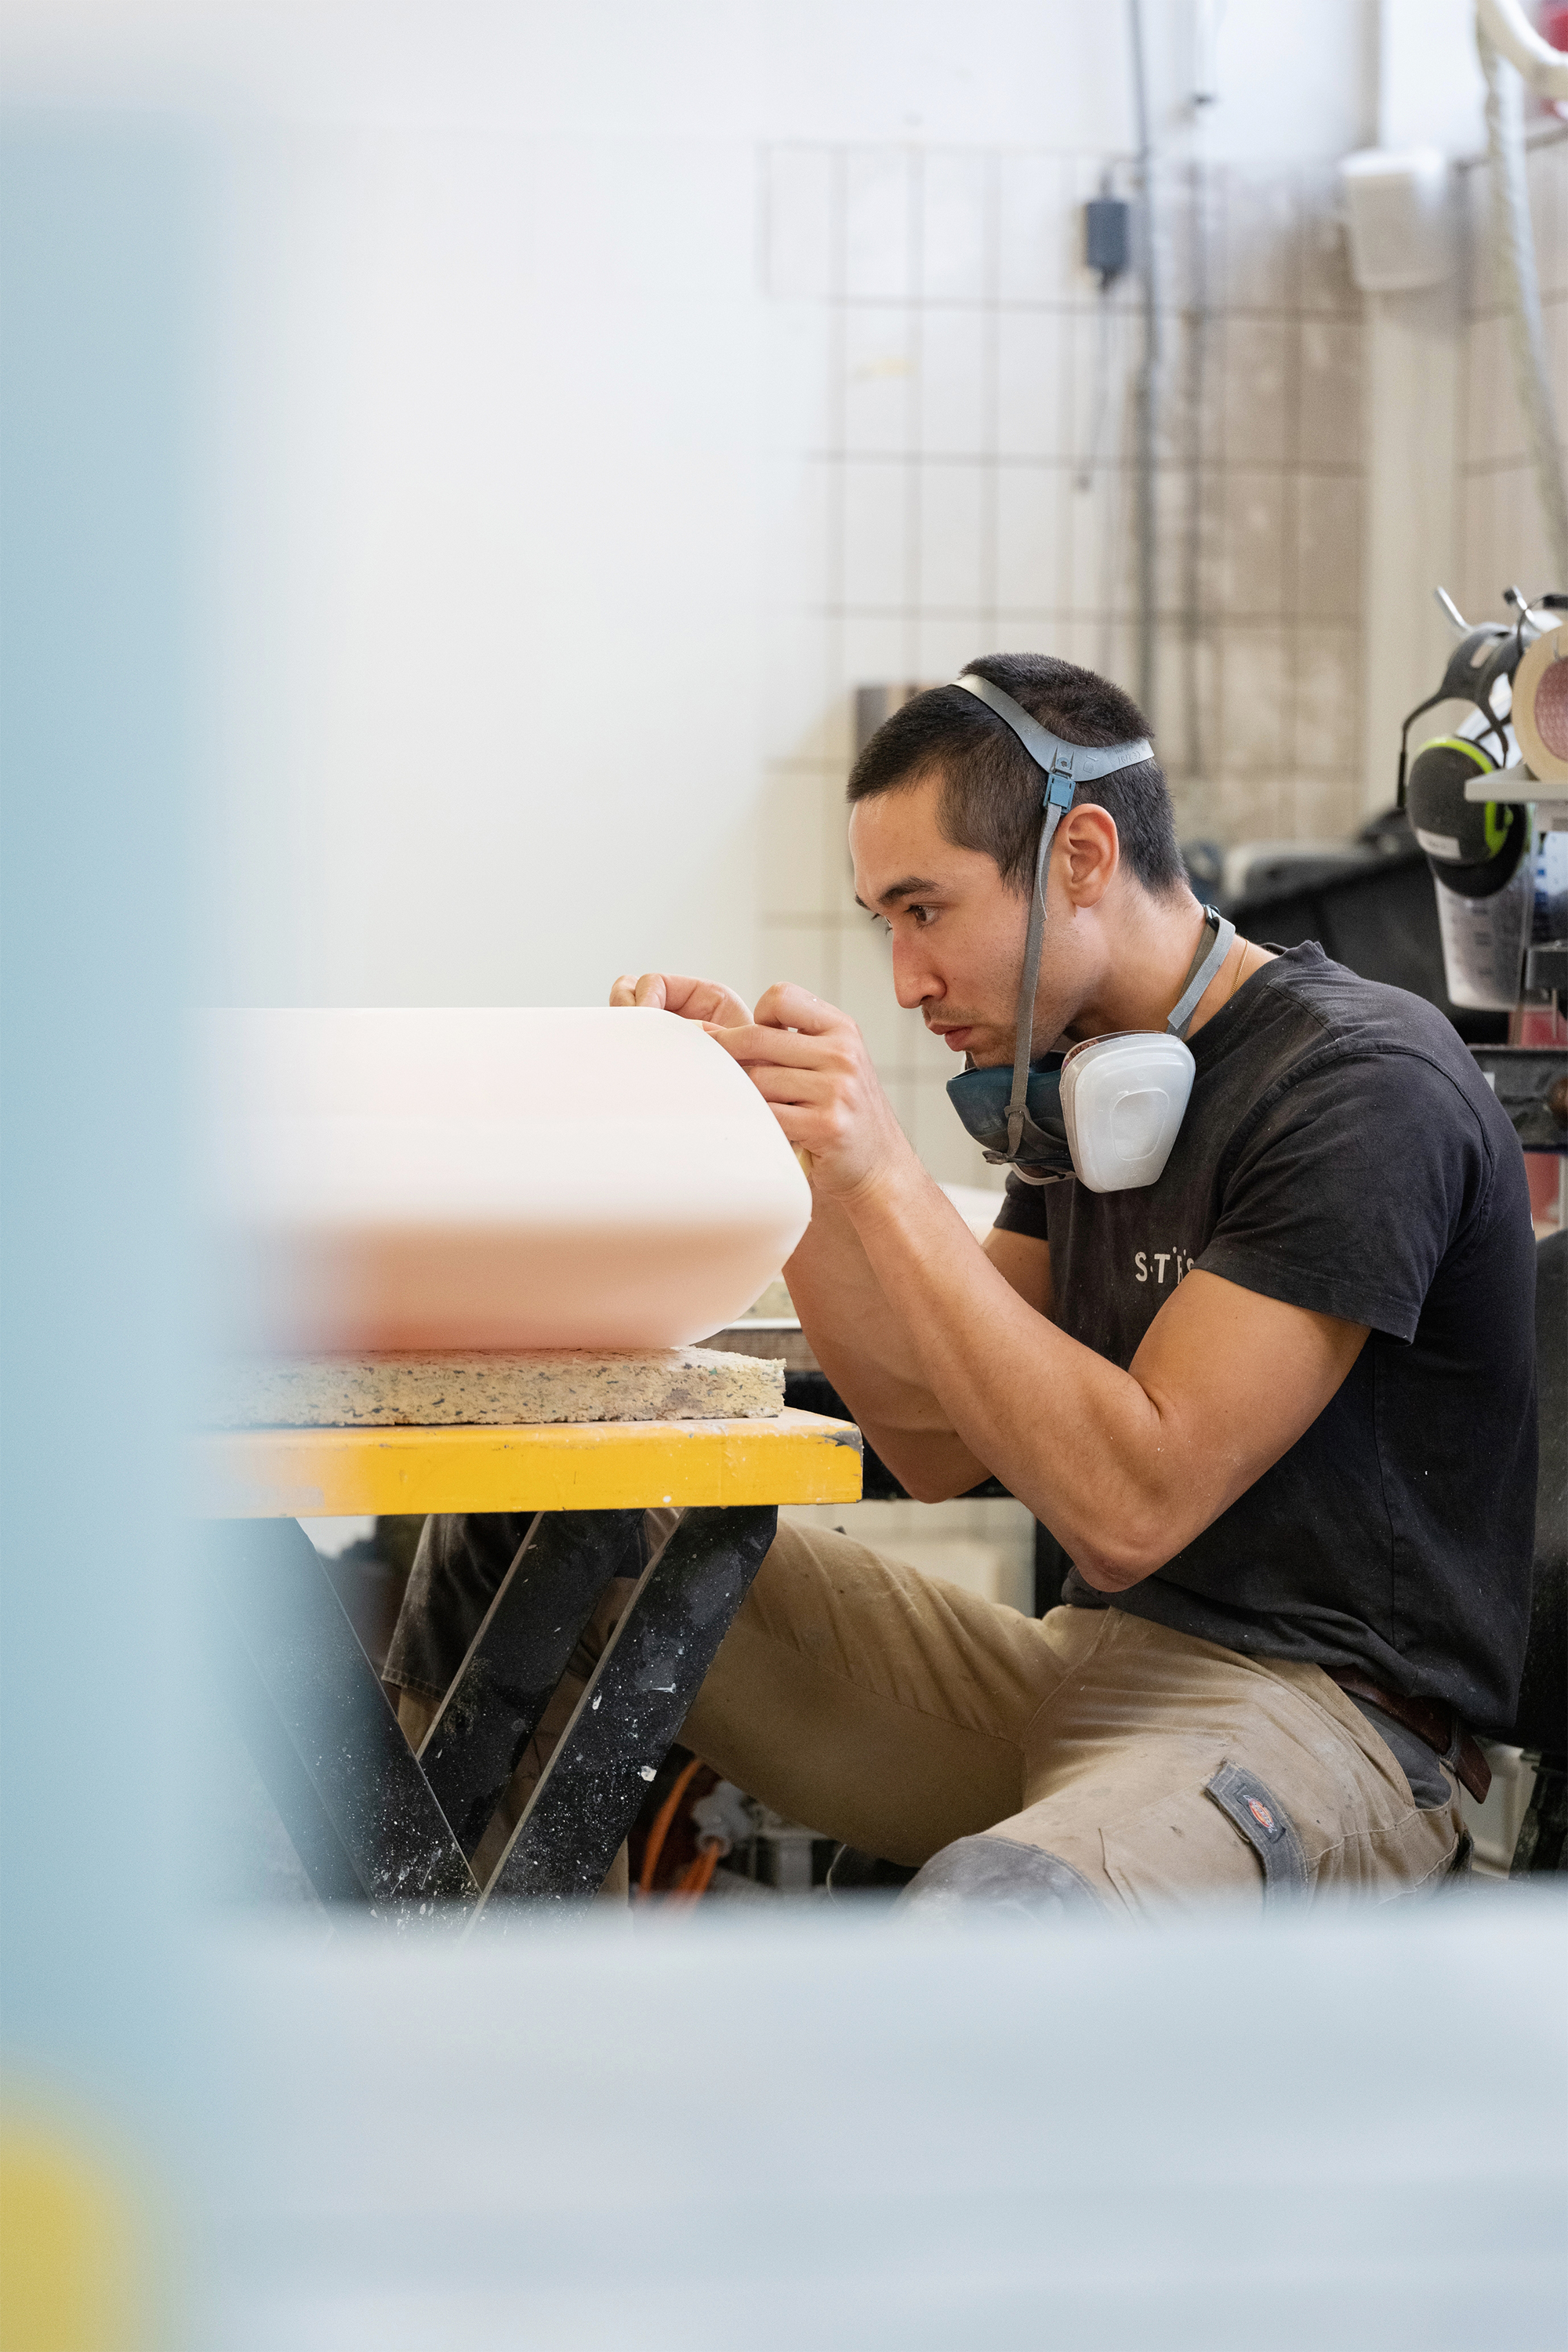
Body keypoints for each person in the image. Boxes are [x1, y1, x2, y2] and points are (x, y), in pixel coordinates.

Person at [387, 652, 1537, 1912]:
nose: (905, 978)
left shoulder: (1361, 1088)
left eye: (924, 910)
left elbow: (1131, 1507)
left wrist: (884, 1170)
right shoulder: (1091, 1083)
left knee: (999, 1921)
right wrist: (801, 1161)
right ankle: (468, 2011)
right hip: (1083, 1671)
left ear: (1082, 857)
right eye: (886, 922)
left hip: (1326, 1726)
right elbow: (932, 1440)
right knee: (544, 1527)